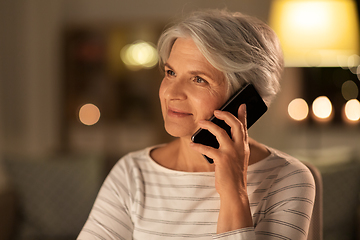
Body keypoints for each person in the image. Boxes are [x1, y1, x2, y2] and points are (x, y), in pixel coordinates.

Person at [77, 9, 315, 240]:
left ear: (244, 98)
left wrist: (234, 192)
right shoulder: (132, 173)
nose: (171, 92)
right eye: (170, 73)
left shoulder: (287, 179)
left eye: (198, 79)